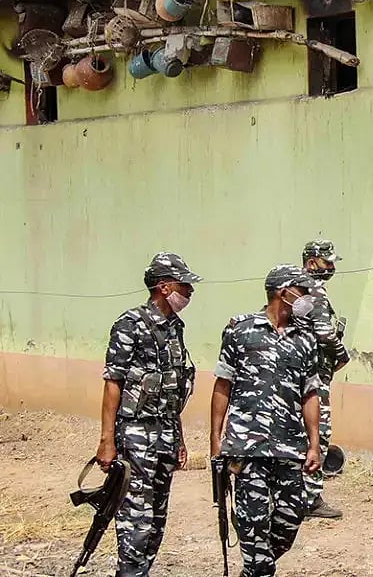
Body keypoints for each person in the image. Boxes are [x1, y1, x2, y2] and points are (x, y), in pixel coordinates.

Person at [210, 265, 322, 577]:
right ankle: (257, 567)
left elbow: (310, 394)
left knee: (290, 517)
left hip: (289, 445)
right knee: (252, 519)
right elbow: (223, 386)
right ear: (282, 292)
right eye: (301, 291)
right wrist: (216, 440)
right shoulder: (241, 329)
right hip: (248, 447)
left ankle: (257, 565)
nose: (306, 298)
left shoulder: (305, 339)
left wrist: (314, 445)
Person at [97, 252, 201, 577]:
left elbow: (172, 389)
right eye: (185, 285)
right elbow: (113, 383)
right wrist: (106, 441)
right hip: (135, 437)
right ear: (164, 286)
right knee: (135, 522)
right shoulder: (130, 325)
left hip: (165, 437)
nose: (190, 292)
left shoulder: (175, 328)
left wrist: (180, 438)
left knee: (156, 521)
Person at [299, 239, 351, 520]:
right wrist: (343, 356)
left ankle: (295, 496)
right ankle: (310, 499)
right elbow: (324, 333)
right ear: (311, 262)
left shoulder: (294, 287)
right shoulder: (313, 289)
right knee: (318, 432)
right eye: (326, 261)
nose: (331, 267)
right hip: (315, 374)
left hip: (300, 372)